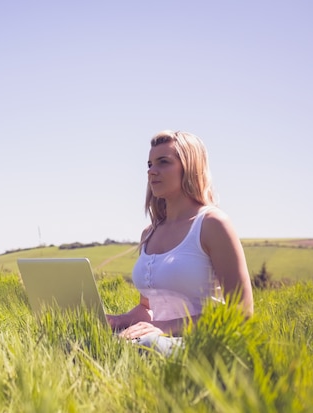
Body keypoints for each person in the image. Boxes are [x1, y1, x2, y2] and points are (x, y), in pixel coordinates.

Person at [106, 130, 253, 355]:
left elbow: (241, 312)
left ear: (189, 167)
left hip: (205, 344)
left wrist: (161, 328)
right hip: (158, 342)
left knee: (146, 346)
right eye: (149, 164)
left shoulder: (212, 224)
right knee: (81, 342)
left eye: (163, 162)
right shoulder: (149, 233)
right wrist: (118, 320)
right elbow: (148, 308)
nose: (152, 171)